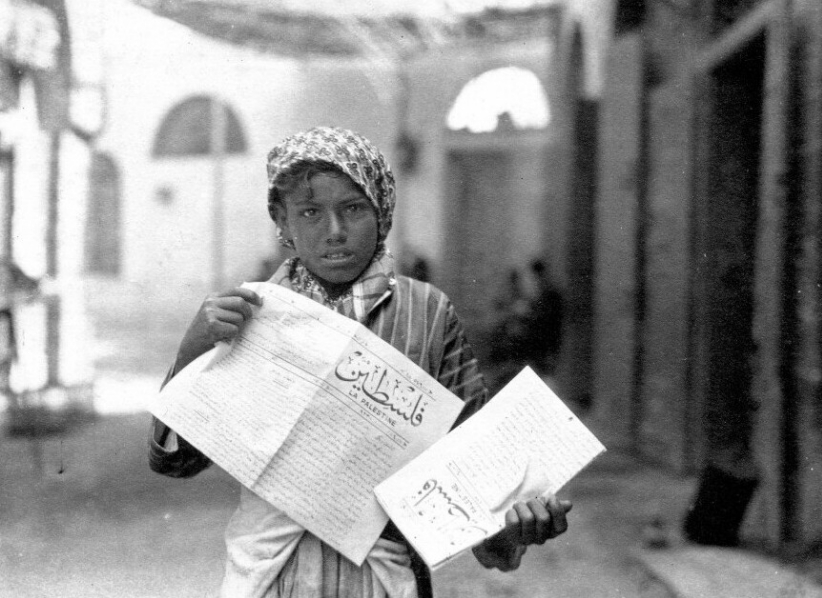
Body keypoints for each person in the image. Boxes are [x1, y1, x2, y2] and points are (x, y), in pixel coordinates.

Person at [148, 126, 572, 598]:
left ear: (381, 211)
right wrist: (192, 349)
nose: (334, 231)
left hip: (387, 581)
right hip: (269, 577)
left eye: (352, 208)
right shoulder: (254, 315)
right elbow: (176, 461)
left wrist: (514, 522)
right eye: (310, 212)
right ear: (283, 221)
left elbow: (472, 472)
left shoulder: (426, 314)